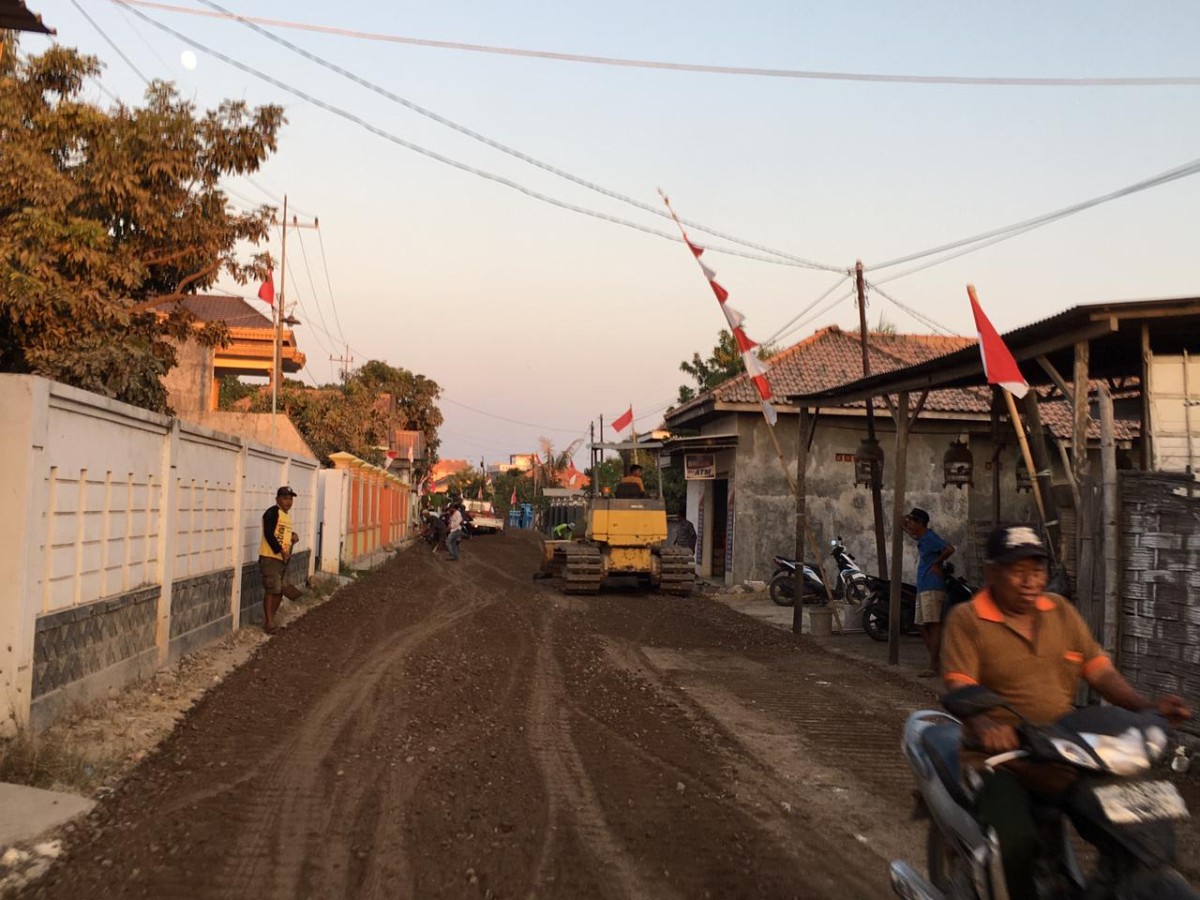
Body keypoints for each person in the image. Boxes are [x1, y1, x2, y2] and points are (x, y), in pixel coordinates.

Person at [941, 524, 1191, 899]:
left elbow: (1100, 672)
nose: (1030, 581)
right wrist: (985, 723)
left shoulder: (1060, 611)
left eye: (1037, 569)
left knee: (1128, 825)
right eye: (1017, 570)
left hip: (1066, 749)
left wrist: (1147, 707)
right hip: (1002, 760)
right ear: (992, 573)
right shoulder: (967, 619)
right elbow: (960, 686)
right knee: (1017, 842)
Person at [901, 507, 954, 677]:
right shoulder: (923, 538)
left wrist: (937, 564)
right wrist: (905, 523)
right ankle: (937, 659)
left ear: (920, 523)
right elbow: (910, 530)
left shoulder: (930, 537)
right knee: (920, 623)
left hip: (932, 585)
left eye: (912, 522)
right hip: (924, 586)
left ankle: (934, 665)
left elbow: (949, 549)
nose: (910, 524)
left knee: (933, 624)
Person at [259, 486, 301, 634]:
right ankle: (269, 623)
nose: (288, 502)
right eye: (285, 498)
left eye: (290, 499)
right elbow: (269, 534)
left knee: (280, 590)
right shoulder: (272, 512)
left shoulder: (286, 516)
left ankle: (271, 620)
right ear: (277, 499)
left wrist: (293, 536)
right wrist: (280, 551)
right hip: (270, 557)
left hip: (283, 559)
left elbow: (282, 533)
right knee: (272, 589)